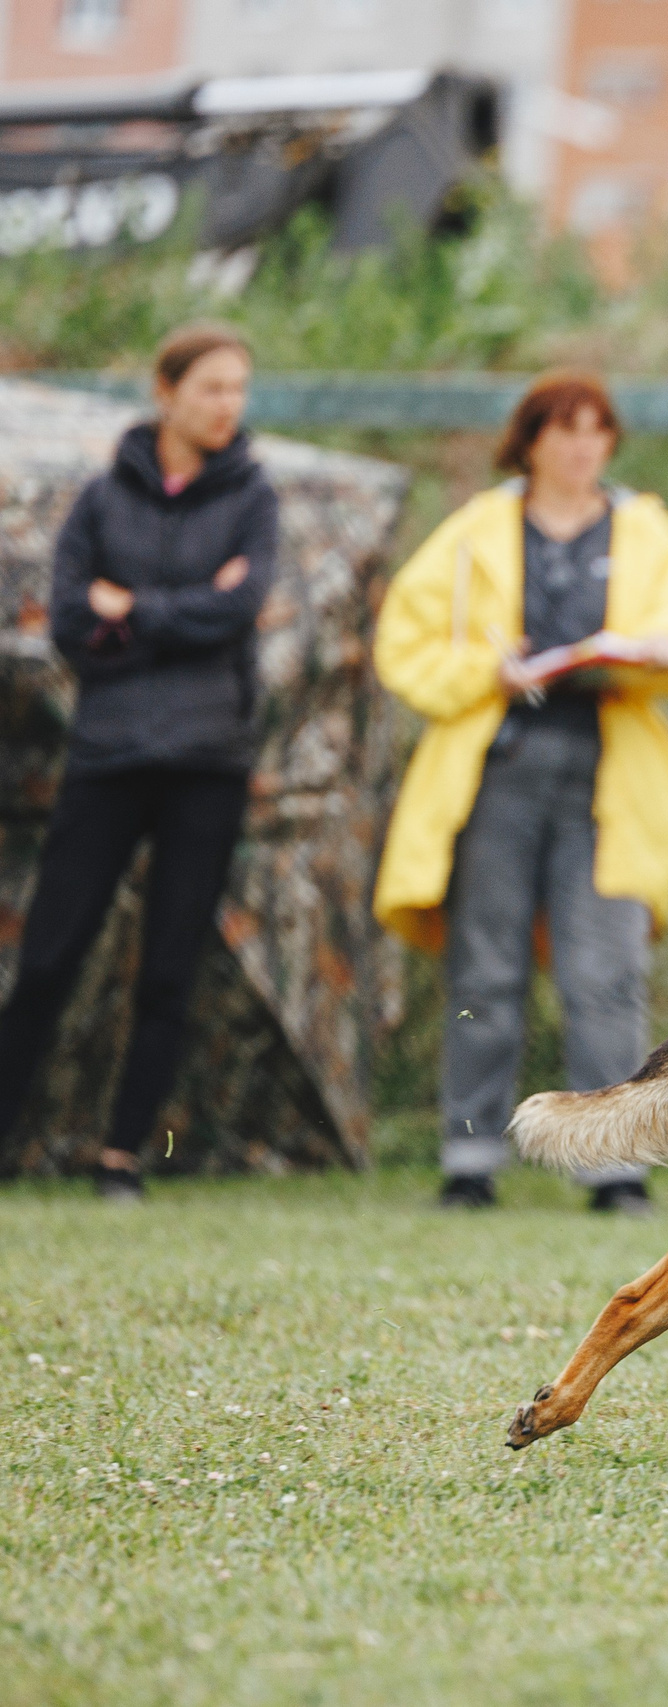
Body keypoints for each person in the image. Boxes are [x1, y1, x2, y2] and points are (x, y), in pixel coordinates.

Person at [372, 372, 668, 1214]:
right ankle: (470, 1156)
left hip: (609, 770)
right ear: (529, 439)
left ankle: (613, 1164)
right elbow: (403, 644)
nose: (582, 445)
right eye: (563, 429)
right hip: (500, 769)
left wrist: (639, 655)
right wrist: (484, 671)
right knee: (485, 969)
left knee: (608, 970)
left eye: (597, 428)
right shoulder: (475, 530)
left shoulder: (647, 528)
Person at [0, 325, 275, 1201]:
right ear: (166, 392)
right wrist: (188, 605)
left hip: (209, 761)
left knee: (168, 967)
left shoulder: (253, 497)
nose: (228, 405)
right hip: (109, 756)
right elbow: (73, 625)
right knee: (48, 957)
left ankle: (122, 1157)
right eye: (211, 388)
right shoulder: (100, 500)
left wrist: (138, 608)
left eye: (238, 388)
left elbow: (238, 614)